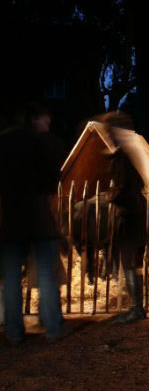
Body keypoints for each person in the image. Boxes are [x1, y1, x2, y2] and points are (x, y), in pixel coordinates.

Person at [0, 102, 66, 343]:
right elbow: (55, 177)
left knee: (11, 278)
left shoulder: (3, 143)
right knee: (47, 275)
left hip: (11, 218)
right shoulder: (42, 142)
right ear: (33, 119)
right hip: (39, 217)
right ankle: (52, 329)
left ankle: (15, 333)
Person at [99, 111, 147, 324]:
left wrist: (109, 197)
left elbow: (126, 187)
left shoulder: (123, 157)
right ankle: (136, 308)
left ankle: (136, 309)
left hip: (128, 216)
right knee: (128, 263)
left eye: (109, 131)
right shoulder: (128, 153)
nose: (108, 135)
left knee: (127, 263)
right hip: (132, 214)